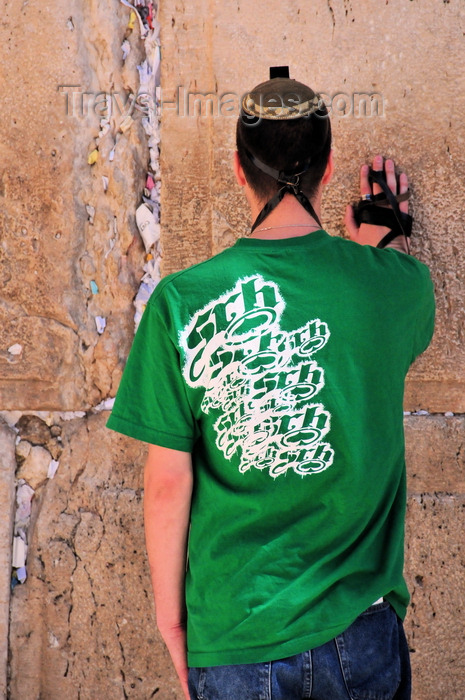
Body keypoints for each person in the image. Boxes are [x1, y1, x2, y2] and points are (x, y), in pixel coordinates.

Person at [107, 68, 435, 700]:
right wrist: (374, 245)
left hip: (234, 633)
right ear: (329, 166)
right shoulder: (393, 288)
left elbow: (168, 484)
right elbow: (385, 297)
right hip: (360, 633)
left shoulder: (180, 303)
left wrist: (173, 621)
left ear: (237, 168)